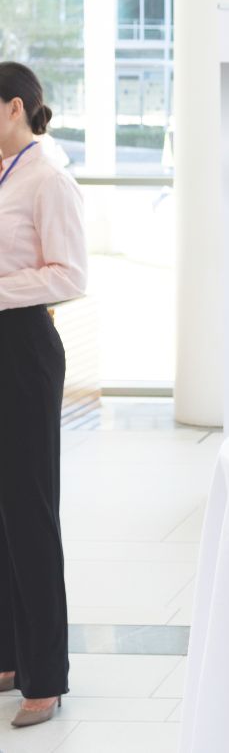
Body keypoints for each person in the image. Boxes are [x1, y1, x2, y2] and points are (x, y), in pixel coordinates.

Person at [0, 62, 87, 728]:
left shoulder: (46, 177)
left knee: (29, 509)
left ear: (14, 108)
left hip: (23, 349)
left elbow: (69, 274)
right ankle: (8, 656)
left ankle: (46, 678)